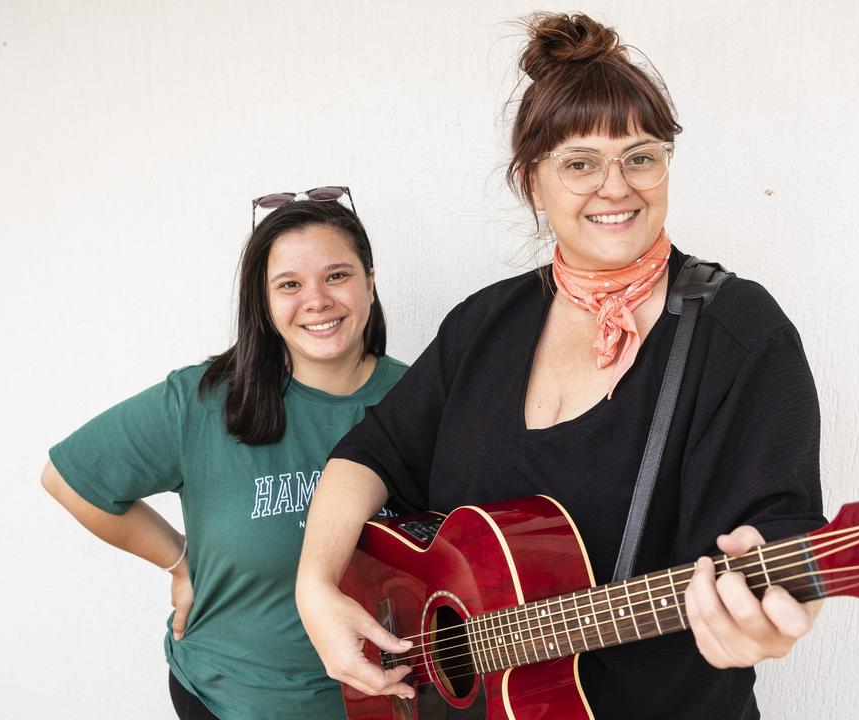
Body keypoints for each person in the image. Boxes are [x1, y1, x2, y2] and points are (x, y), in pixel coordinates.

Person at [296, 13, 825, 720]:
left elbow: (780, 529)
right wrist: (316, 589)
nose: (617, 188)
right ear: (532, 182)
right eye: (580, 163)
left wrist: (765, 612)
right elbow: (369, 454)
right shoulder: (485, 324)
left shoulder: (737, 333)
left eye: (641, 156)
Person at [41, 195, 408, 720]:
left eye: (337, 275)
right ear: (263, 302)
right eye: (289, 284)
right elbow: (69, 478)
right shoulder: (203, 401)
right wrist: (178, 561)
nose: (317, 300)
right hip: (230, 700)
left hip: (389, 704)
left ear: (370, 283)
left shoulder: (422, 399)